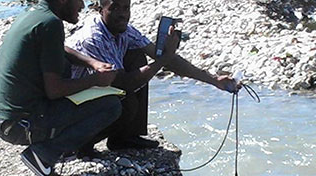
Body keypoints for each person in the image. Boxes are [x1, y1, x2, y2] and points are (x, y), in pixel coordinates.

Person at [66, 0, 239, 154]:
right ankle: (82, 143)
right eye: (115, 8)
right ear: (101, 8)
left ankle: (124, 137)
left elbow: (167, 59)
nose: (122, 14)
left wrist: (214, 80)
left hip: (95, 93)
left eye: (126, 8)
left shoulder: (125, 30)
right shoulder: (93, 37)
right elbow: (125, 83)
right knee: (127, 102)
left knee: (137, 56)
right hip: (74, 106)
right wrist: (165, 57)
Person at [0, 0, 126, 176]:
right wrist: (96, 80)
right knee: (111, 105)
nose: (83, 6)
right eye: (79, 0)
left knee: (69, 73)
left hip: (3, 120)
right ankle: (42, 155)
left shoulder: (34, 14)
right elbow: (55, 90)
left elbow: (60, 49)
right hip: (19, 126)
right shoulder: (51, 23)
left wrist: (92, 63)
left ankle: (62, 149)